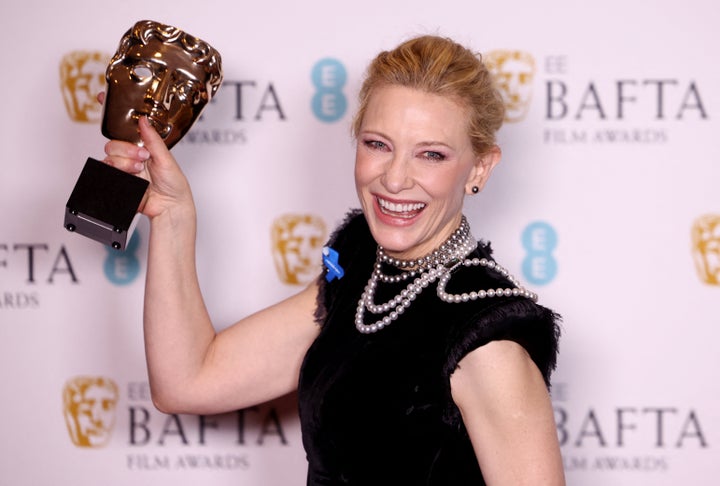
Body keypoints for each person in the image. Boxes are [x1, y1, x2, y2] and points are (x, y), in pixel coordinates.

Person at [103, 34, 564, 485]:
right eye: (377, 145)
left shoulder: (486, 340)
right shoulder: (363, 272)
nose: (395, 179)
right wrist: (172, 215)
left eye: (431, 155)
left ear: (480, 167)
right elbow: (188, 381)